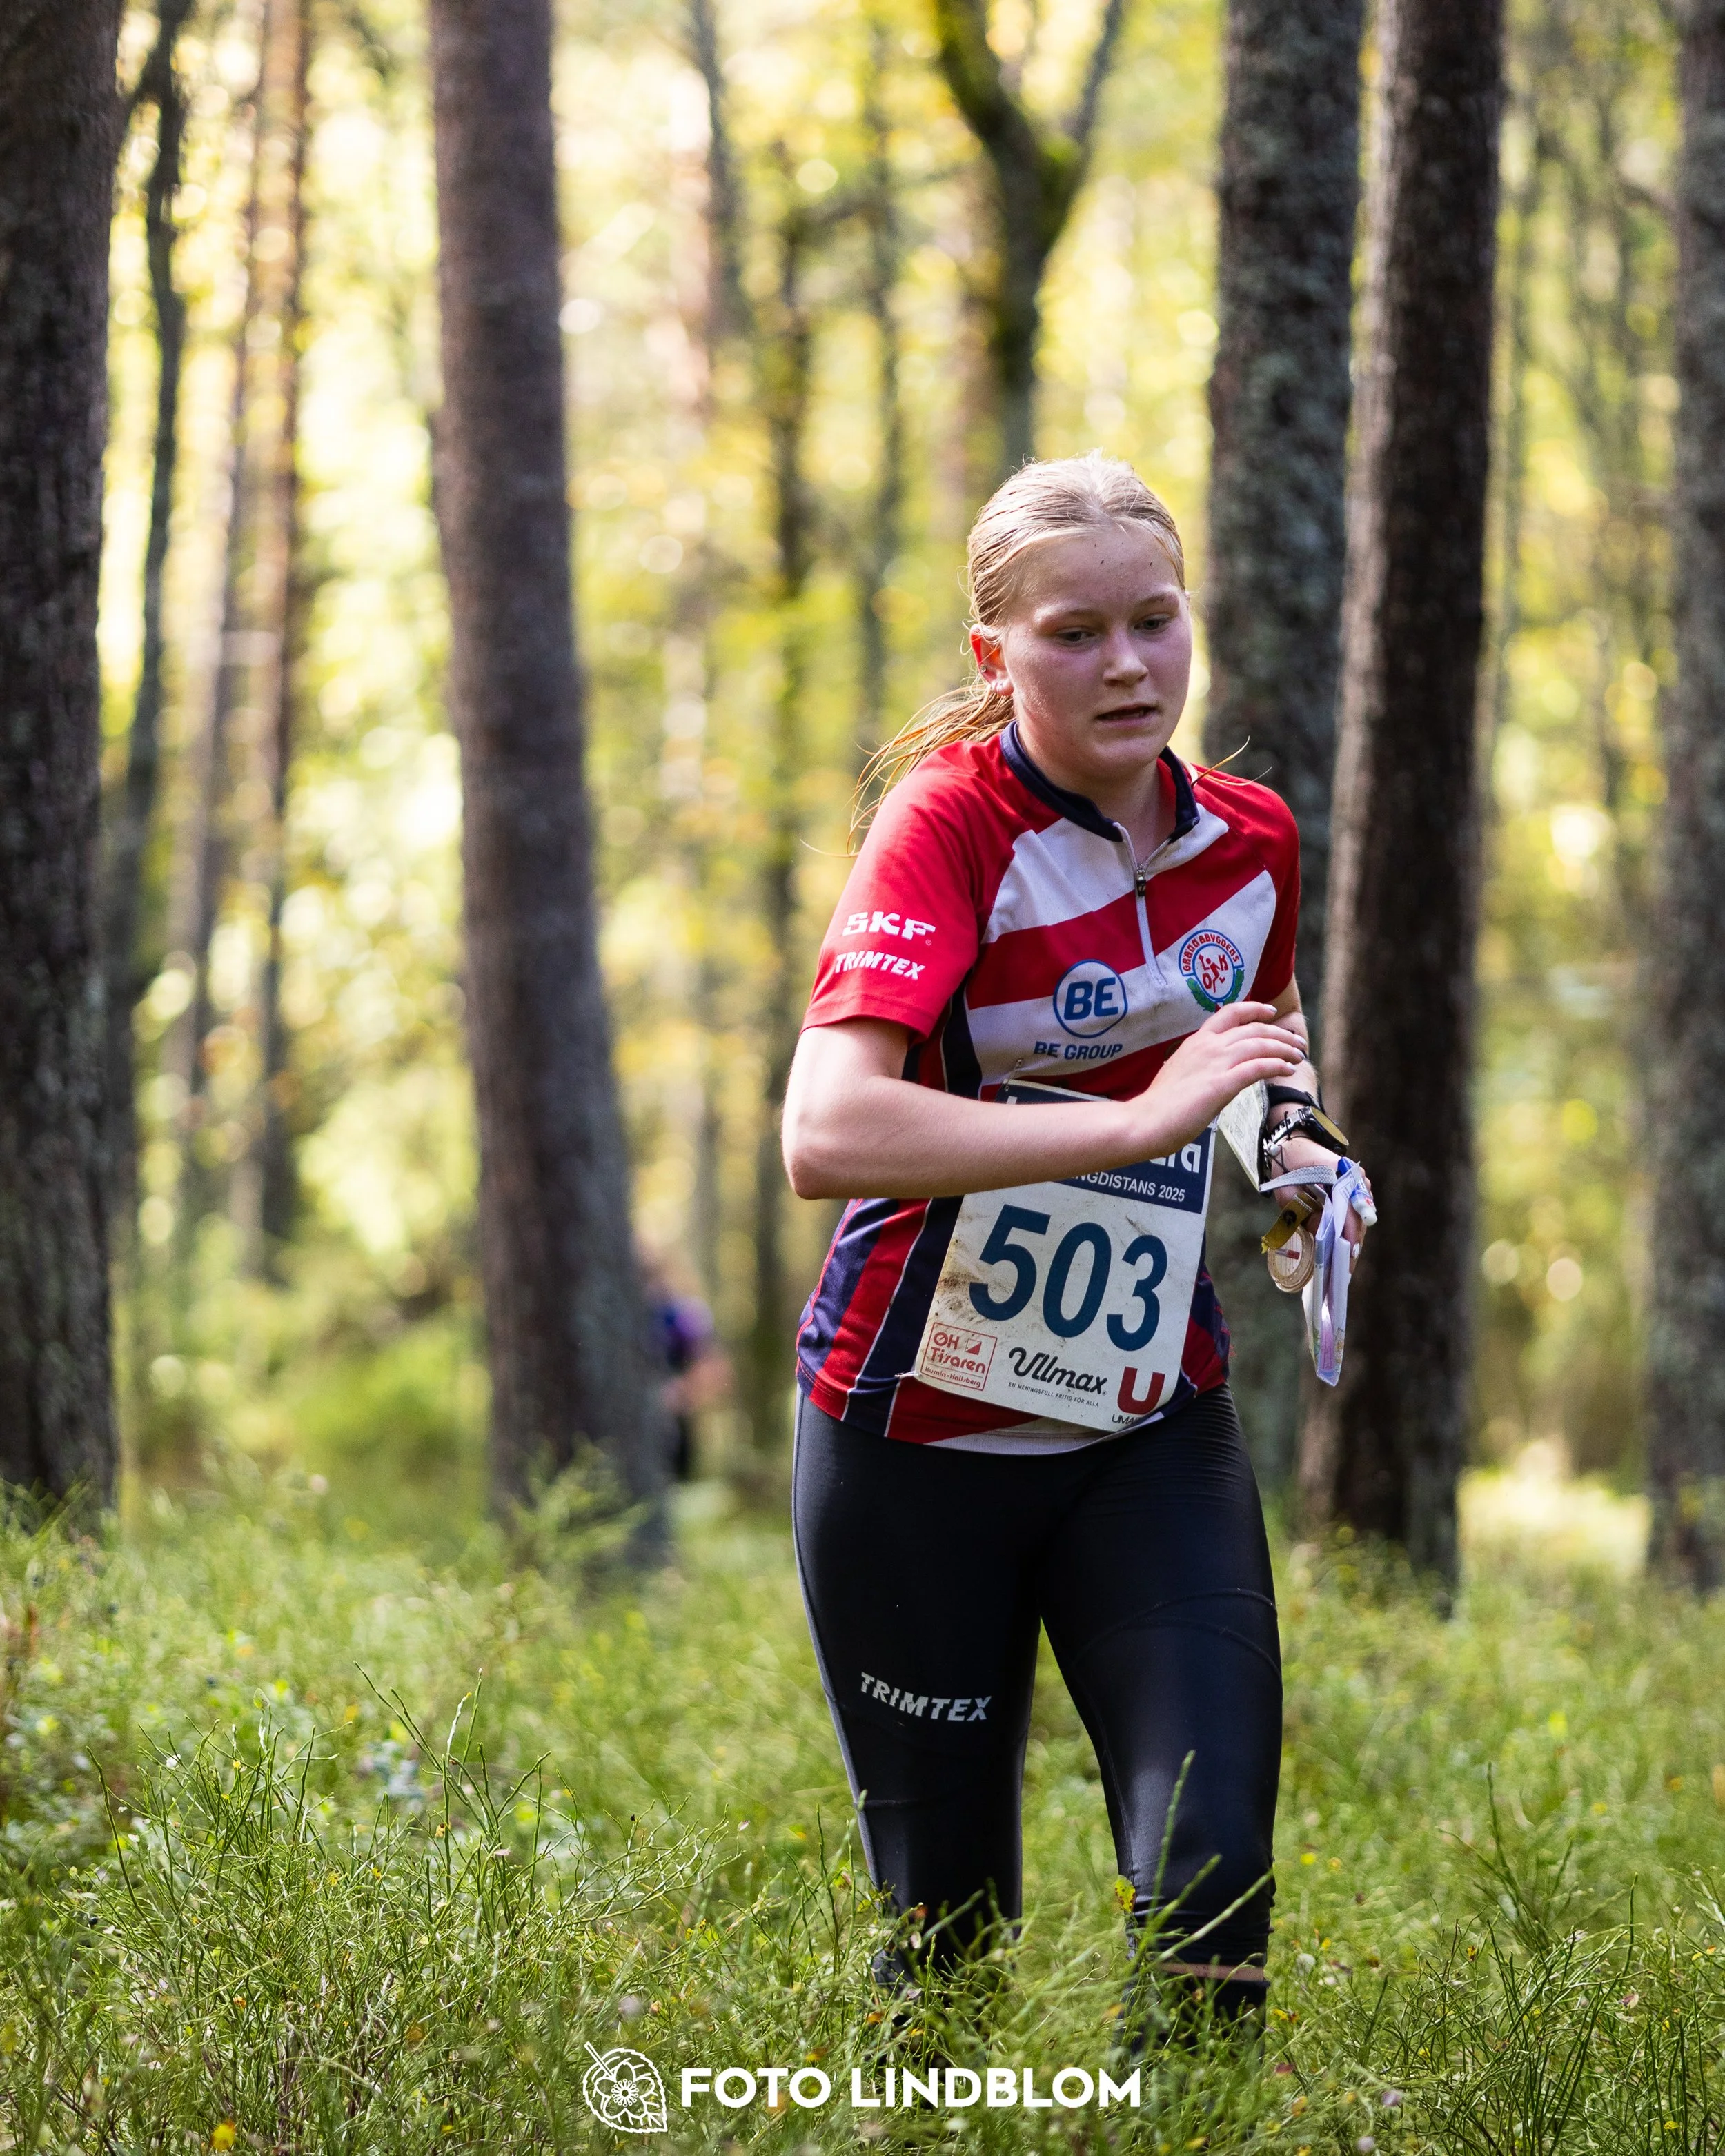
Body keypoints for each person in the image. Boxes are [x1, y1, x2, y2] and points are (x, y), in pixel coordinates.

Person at [780, 453, 1371, 2030]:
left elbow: (1257, 1034)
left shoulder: (1248, 837)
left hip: (1141, 1423)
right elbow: (824, 1130)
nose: (1125, 664)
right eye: (1071, 633)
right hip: (915, 1433)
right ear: (996, 657)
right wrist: (1123, 1125)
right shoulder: (945, 830)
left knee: (1210, 1879)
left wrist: (1291, 1137)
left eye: (1153, 622)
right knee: (949, 1943)